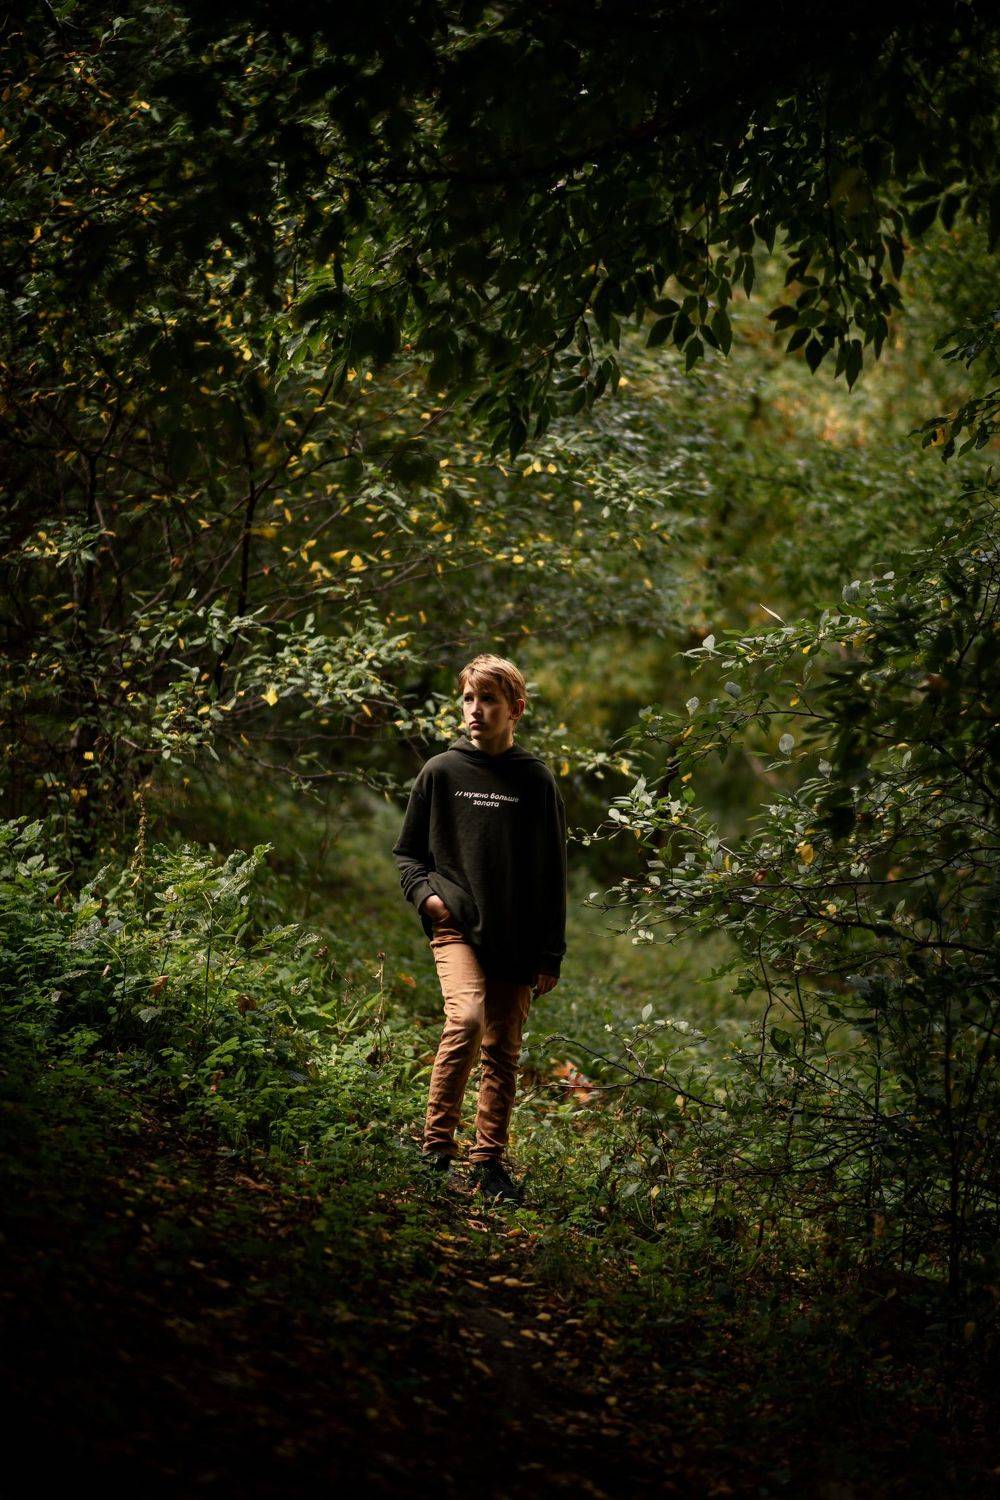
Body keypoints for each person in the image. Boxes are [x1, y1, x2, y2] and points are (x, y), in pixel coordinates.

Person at [391, 654, 568, 1203]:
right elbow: (408, 855)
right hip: (456, 927)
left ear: (515, 709)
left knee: (502, 1048)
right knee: (466, 1018)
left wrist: (550, 953)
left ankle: (488, 1163)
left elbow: (553, 873)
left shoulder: (535, 780)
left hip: (517, 936)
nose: (475, 709)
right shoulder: (440, 772)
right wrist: (430, 900)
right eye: (469, 698)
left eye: (488, 700)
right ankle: (436, 1150)